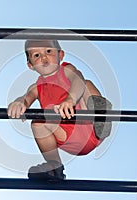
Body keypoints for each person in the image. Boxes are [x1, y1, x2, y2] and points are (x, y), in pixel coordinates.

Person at [8, 40, 112, 180]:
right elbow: (27, 97)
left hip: (90, 125)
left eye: (49, 52)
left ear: (60, 55)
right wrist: (19, 102)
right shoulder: (36, 87)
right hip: (67, 136)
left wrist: (71, 99)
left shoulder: (66, 70)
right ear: (30, 65)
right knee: (37, 123)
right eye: (37, 55)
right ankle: (55, 166)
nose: (44, 57)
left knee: (85, 83)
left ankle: (101, 117)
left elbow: (77, 81)